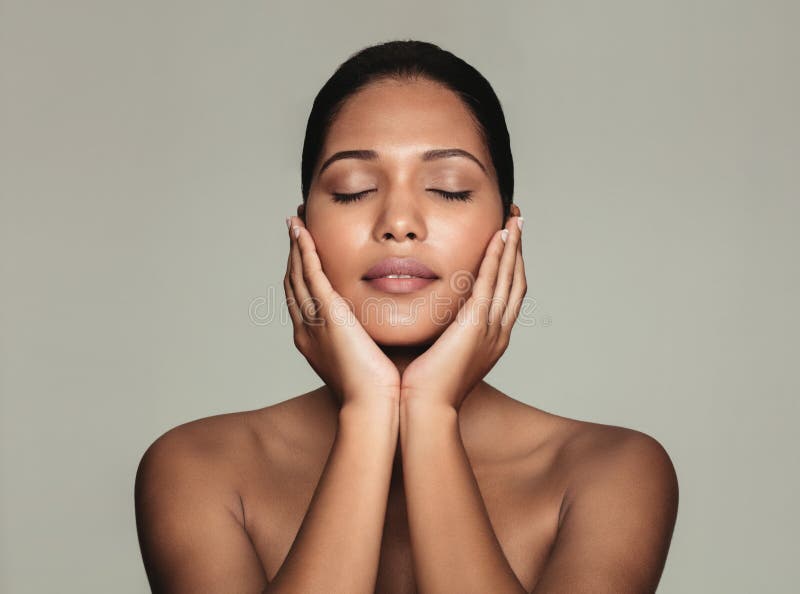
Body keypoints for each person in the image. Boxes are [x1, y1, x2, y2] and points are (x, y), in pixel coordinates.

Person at [134, 40, 679, 594]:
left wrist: (432, 413)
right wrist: (369, 411)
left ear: (508, 231)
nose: (398, 222)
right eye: (353, 191)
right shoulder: (197, 468)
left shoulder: (611, 474)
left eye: (449, 189)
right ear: (302, 230)